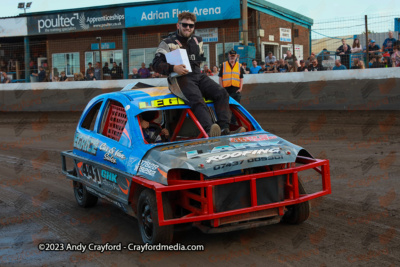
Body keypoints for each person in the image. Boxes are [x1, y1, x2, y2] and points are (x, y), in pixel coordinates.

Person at [152, 12, 244, 136]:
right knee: (196, 98)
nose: (188, 28)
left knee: (222, 93)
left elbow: (198, 62)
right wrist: (173, 68)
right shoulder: (167, 42)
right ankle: (210, 129)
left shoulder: (198, 40)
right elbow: (155, 64)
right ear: (178, 25)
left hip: (197, 75)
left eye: (191, 26)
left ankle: (224, 129)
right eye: (185, 25)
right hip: (179, 79)